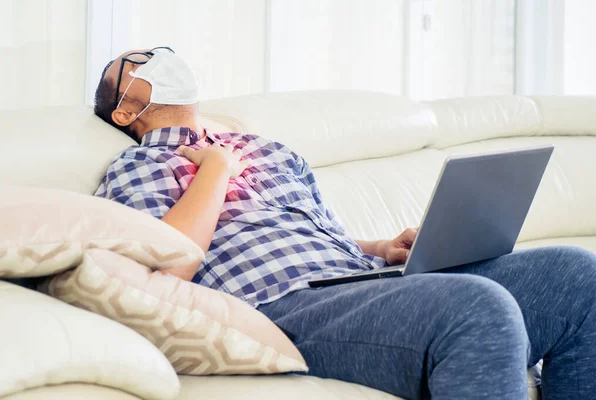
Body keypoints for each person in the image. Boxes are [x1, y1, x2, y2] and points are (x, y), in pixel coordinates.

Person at [93, 47, 596, 400]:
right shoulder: (134, 168)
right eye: (137, 61)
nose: (159, 57)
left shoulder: (271, 151)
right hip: (282, 307)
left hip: (359, 281)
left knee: (578, 276)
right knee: (478, 308)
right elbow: (172, 257)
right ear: (123, 108)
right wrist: (215, 170)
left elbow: (309, 231)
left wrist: (380, 247)